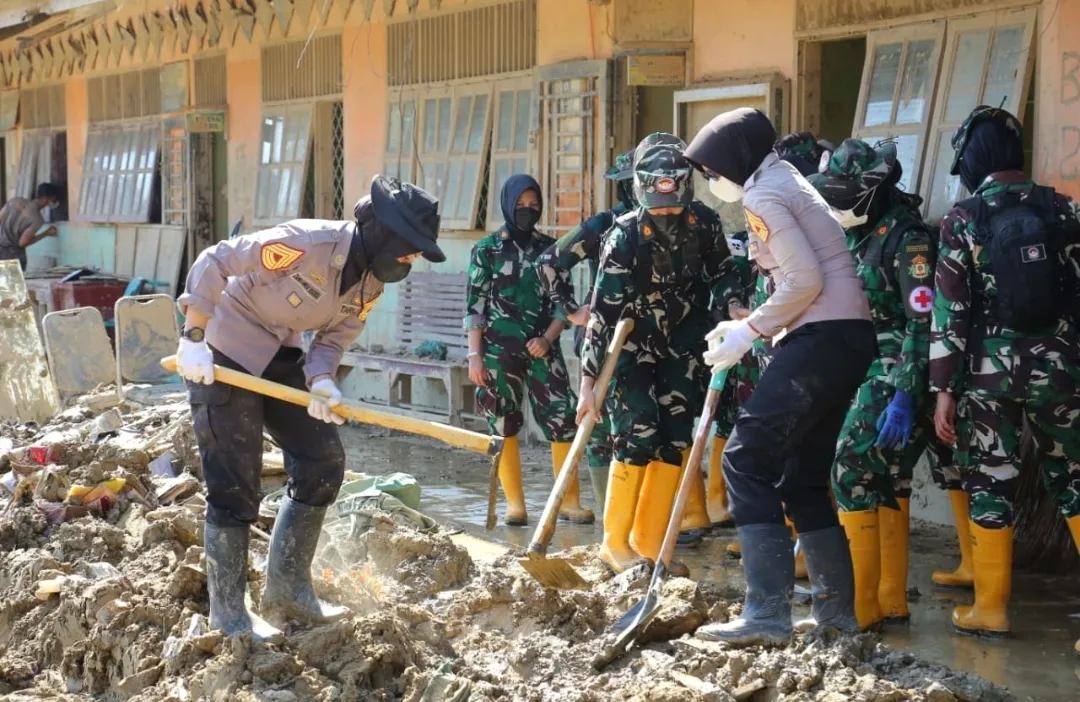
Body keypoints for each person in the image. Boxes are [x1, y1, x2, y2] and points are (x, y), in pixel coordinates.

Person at [175, 175, 445, 639]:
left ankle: (287, 588)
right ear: (385, 233)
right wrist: (194, 336)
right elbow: (216, 259)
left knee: (323, 460)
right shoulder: (306, 243)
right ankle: (229, 615)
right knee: (235, 478)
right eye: (411, 247)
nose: (413, 257)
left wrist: (321, 381)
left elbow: (334, 337)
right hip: (224, 349)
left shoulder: (370, 284)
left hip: (279, 353)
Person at [686, 108, 874, 647]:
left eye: (710, 170)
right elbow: (803, 275)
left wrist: (750, 329)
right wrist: (748, 323)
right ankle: (837, 619)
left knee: (745, 459)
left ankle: (767, 614)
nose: (710, 182)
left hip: (823, 335)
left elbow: (804, 279)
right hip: (846, 336)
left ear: (732, 161)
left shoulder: (761, 195)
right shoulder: (784, 177)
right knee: (802, 478)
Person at [930, 106, 1080, 639]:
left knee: (989, 481)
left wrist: (942, 390)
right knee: (1075, 479)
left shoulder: (963, 218)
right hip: (1060, 371)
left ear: (971, 160)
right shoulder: (1064, 209)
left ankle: (990, 610)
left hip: (988, 378)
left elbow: (949, 313)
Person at [578, 132, 742, 576]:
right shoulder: (624, 237)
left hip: (682, 347)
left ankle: (648, 544)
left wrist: (733, 308)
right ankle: (615, 544)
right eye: (659, 205)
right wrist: (588, 384)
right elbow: (602, 315)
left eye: (674, 203)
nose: (667, 212)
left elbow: (724, 273)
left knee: (673, 438)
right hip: (630, 348)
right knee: (637, 433)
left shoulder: (705, 223)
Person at [809, 138, 947, 628]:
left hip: (896, 367)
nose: (836, 203)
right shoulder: (862, 232)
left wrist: (908, 395)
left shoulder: (908, 240)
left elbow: (922, 322)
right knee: (884, 478)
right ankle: (887, 599)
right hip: (863, 364)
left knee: (851, 466)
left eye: (844, 193)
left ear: (872, 190)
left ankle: (857, 606)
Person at [464, 174, 587, 527]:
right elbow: (475, 305)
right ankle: (515, 506)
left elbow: (563, 304)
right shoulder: (486, 249)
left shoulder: (551, 250)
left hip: (542, 351)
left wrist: (548, 338)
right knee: (502, 423)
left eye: (534, 205)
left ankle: (569, 502)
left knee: (564, 419)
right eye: (520, 205)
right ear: (507, 204)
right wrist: (474, 356)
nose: (527, 210)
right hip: (497, 353)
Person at [535, 150, 636, 511]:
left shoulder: (676, 223)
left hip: (651, 340)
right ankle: (610, 511)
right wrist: (572, 311)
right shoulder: (605, 225)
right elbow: (548, 262)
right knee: (599, 426)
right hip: (602, 339)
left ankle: (637, 514)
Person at [0, 182, 62, 269]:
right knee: (13, 282)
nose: (52, 203)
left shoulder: (15, 201)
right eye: (53, 200)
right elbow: (22, 243)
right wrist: (46, 233)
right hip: (14, 256)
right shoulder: (37, 219)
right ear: (45, 199)